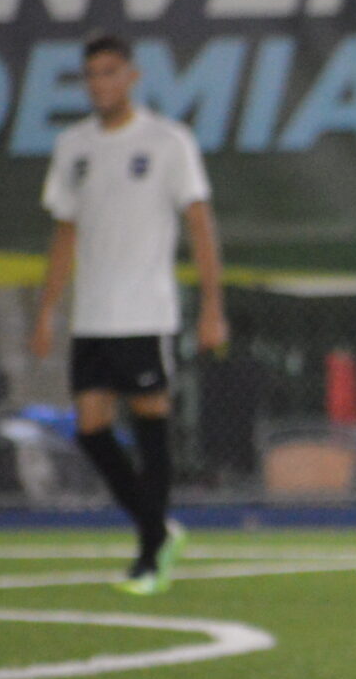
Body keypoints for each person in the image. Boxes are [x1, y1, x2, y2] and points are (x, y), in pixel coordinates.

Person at [31, 32, 227, 595]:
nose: (100, 83)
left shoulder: (168, 141)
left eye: (110, 72)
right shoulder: (73, 146)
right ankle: (157, 528)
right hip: (92, 315)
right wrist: (47, 310)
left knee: (150, 421)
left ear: (132, 77)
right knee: (91, 429)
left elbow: (200, 224)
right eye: (92, 74)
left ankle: (149, 557)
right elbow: (64, 232)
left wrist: (213, 307)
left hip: (145, 312)